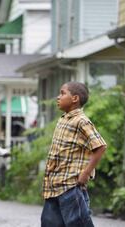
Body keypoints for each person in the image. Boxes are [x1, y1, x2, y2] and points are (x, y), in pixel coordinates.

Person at [41, 82, 107, 227]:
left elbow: (100, 146)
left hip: (71, 186)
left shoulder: (81, 121)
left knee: (77, 223)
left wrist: (86, 173)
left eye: (62, 93)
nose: (58, 97)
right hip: (53, 186)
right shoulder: (63, 119)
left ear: (75, 98)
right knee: (49, 223)